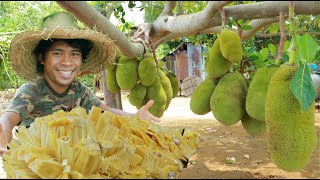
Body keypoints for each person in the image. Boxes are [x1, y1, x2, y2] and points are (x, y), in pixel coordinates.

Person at [0, 12, 160, 155]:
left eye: (74, 54)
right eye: (57, 53)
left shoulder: (78, 90)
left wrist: (135, 117)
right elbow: (7, 120)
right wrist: (3, 139)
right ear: (42, 58)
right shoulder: (32, 91)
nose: (67, 62)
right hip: (34, 166)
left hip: (67, 166)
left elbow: (106, 111)